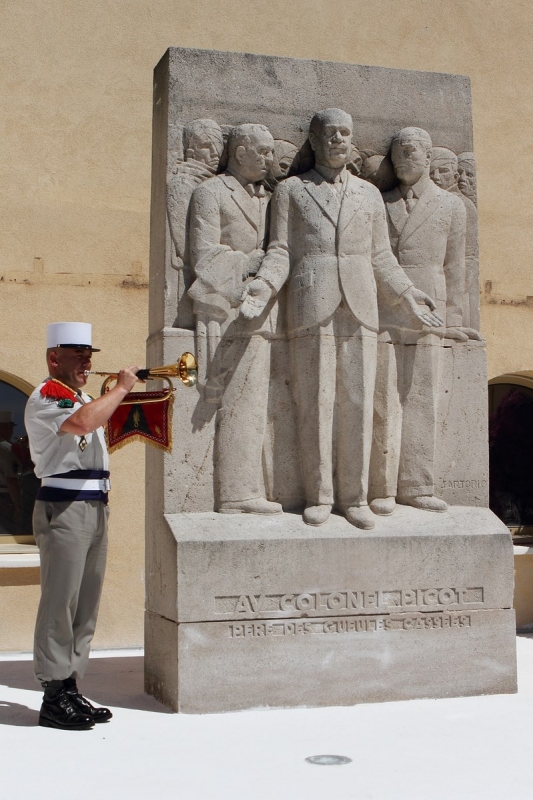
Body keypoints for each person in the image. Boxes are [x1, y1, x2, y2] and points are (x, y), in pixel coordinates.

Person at [240, 109, 442, 529]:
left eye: (344, 134)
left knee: (358, 401)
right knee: (314, 402)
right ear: (313, 140)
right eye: (329, 134)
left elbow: (380, 256)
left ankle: (355, 497)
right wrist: (262, 286)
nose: (337, 140)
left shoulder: (368, 195)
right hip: (310, 302)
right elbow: (280, 250)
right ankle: (319, 495)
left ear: (351, 141)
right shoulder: (292, 191)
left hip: (361, 303)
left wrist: (407, 293)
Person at [24, 322, 140, 730]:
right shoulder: (48, 395)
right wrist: (121, 388)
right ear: (54, 358)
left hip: (94, 504)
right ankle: (54, 695)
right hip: (64, 504)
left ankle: (71, 685)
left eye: (89, 354)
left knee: (85, 604)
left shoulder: (84, 397)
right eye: (77, 354)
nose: (87, 361)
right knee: (61, 603)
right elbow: (82, 425)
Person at [369, 128, 481, 517]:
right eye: (397, 154)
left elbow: (456, 266)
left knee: (421, 399)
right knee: (382, 399)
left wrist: (452, 319)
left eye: (411, 153)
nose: (403, 160)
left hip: (429, 304)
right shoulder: (380, 203)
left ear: (429, 157)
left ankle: (417, 485)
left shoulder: (452, 207)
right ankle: (380, 486)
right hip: (386, 304)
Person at [188, 123, 282, 514]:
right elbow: (203, 255)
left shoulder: (271, 198)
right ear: (239, 152)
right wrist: (251, 263)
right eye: (261, 152)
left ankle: (256, 487)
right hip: (223, 309)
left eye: (270, 152)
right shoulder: (210, 193)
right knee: (239, 401)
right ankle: (237, 495)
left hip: (265, 311)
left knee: (263, 405)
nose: (268, 160)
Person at [430, 146, 480, 329]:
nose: (436, 177)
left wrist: (456, 293)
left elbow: (470, 256)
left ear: (454, 176)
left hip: (454, 291)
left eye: (443, 171)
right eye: (431, 173)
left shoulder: (463, 205)